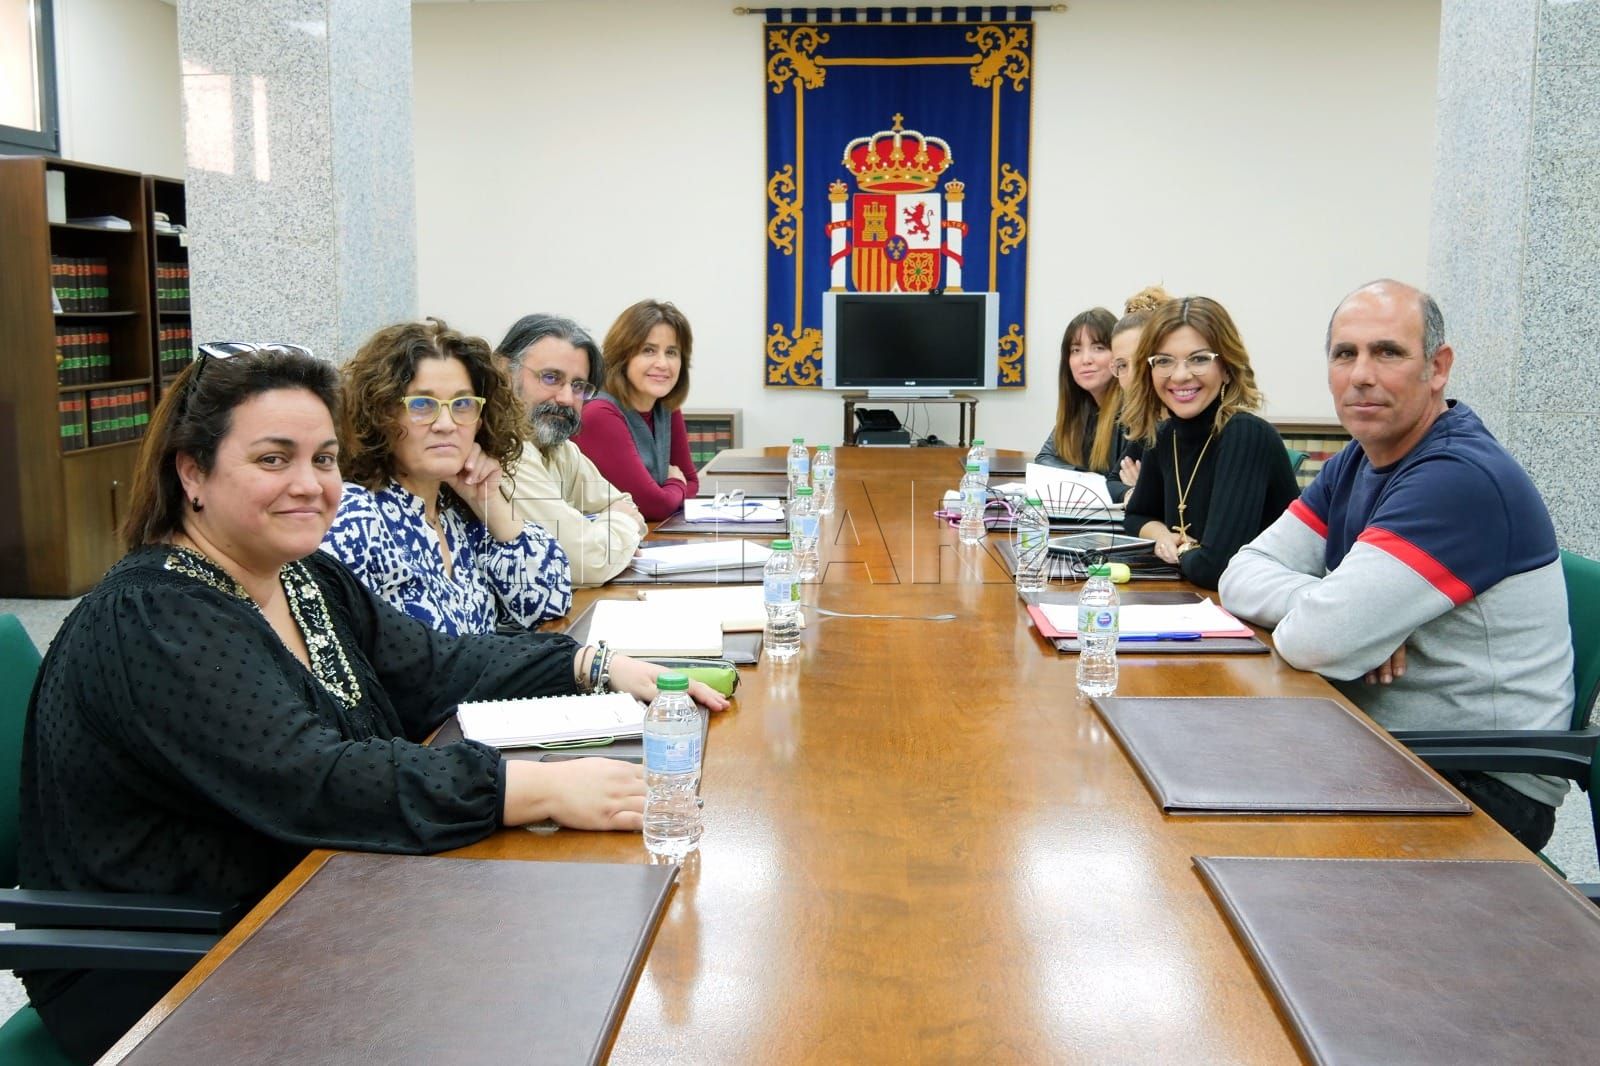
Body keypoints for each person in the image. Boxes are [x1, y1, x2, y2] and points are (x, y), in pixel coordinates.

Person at [17, 344, 729, 1060]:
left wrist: (590, 662)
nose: (309, 484)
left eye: (324, 459)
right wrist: (532, 787)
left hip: (312, 905)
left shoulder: (302, 577)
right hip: (178, 968)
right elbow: (314, 778)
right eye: (273, 459)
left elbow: (434, 664)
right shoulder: (154, 618)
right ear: (192, 472)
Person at [1220, 280, 1572, 850]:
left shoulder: (1456, 478)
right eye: (1344, 354)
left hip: (1479, 779)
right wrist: (1340, 606)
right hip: (1376, 736)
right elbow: (1241, 571)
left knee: (1230, 818)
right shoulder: (1359, 459)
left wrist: (1341, 618)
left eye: (1387, 352)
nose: (1361, 374)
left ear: (1437, 367)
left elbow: (1318, 642)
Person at [322, 319, 572, 635]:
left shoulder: (457, 513)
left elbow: (550, 603)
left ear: (481, 420)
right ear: (382, 414)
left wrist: (490, 501)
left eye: (462, 404)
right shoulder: (355, 517)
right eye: (423, 404)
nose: (446, 423)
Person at [1120, 295, 1299, 589]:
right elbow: (1137, 515)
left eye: (1199, 359)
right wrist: (1162, 536)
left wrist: (1182, 552)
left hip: (1262, 619)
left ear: (1227, 367)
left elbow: (1216, 567)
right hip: (1198, 602)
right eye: (1164, 361)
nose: (1180, 375)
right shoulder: (1165, 434)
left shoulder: (1246, 434)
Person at [496, 313, 647, 586]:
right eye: (551, 378)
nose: (566, 398)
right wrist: (618, 530)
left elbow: (624, 505)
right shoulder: (504, 449)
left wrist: (603, 534)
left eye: (578, 386)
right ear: (505, 373)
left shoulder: (559, 448)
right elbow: (585, 565)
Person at [573, 299, 700, 522]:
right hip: (598, 546)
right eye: (648, 350)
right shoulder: (599, 414)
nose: (662, 363)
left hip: (642, 536)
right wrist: (676, 484)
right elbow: (651, 506)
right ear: (623, 356)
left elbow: (692, 482)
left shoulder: (666, 407)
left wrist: (671, 491)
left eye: (671, 352)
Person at [1034, 307, 1136, 502]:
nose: (1086, 360)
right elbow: (1044, 460)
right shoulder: (1082, 406)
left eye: (1099, 348)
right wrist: (1085, 477)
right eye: (1076, 350)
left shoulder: (1132, 410)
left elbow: (1126, 484)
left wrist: (1085, 480)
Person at [1104, 285, 1172, 492]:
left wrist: (1144, 489)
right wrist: (1131, 493)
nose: (1132, 375)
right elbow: (1114, 481)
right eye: (1122, 365)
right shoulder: (1147, 419)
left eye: (1141, 361)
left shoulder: (1185, 418)